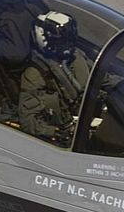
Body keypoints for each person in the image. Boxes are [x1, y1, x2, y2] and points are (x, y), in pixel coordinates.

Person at [18, 10, 91, 145]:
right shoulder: (35, 75)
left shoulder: (75, 56)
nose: (67, 45)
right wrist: (56, 132)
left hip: (89, 113)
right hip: (70, 134)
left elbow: (103, 78)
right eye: (61, 41)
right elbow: (28, 121)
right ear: (44, 38)